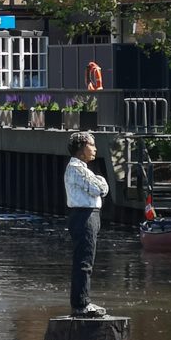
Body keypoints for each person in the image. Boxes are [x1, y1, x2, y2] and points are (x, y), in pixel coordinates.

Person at [65, 131, 110, 317]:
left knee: (86, 260)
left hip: (88, 215)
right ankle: (81, 304)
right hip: (84, 216)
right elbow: (99, 188)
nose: (95, 149)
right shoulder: (77, 168)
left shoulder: (82, 168)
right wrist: (101, 182)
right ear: (82, 148)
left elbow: (103, 189)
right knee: (84, 261)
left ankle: (81, 302)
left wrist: (101, 183)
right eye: (92, 145)